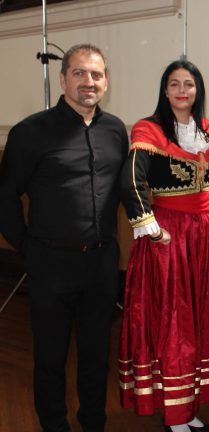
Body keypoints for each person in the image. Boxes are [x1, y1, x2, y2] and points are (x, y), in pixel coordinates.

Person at [0, 44, 127, 432]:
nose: (89, 81)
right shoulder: (30, 132)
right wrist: (29, 248)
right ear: (63, 79)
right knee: (50, 357)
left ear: (105, 81)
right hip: (50, 264)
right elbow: (5, 198)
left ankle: (94, 422)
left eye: (97, 74)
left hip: (102, 264)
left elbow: (129, 191)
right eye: (80, 73)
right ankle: (54, 425)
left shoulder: (116, 130)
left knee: (95, 355)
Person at [118, 60, 209, 432]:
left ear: (197, 90)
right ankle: (175, 412)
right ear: (164, 90)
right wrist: (151, 227)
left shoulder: (208, 131)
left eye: (188, 84)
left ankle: (189, 405)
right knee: (173, 321)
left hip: (205, 238)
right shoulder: (149, 129)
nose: (181, 91)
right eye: (174, 84)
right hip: (168, 239)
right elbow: (132, 182)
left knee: (201, 318)